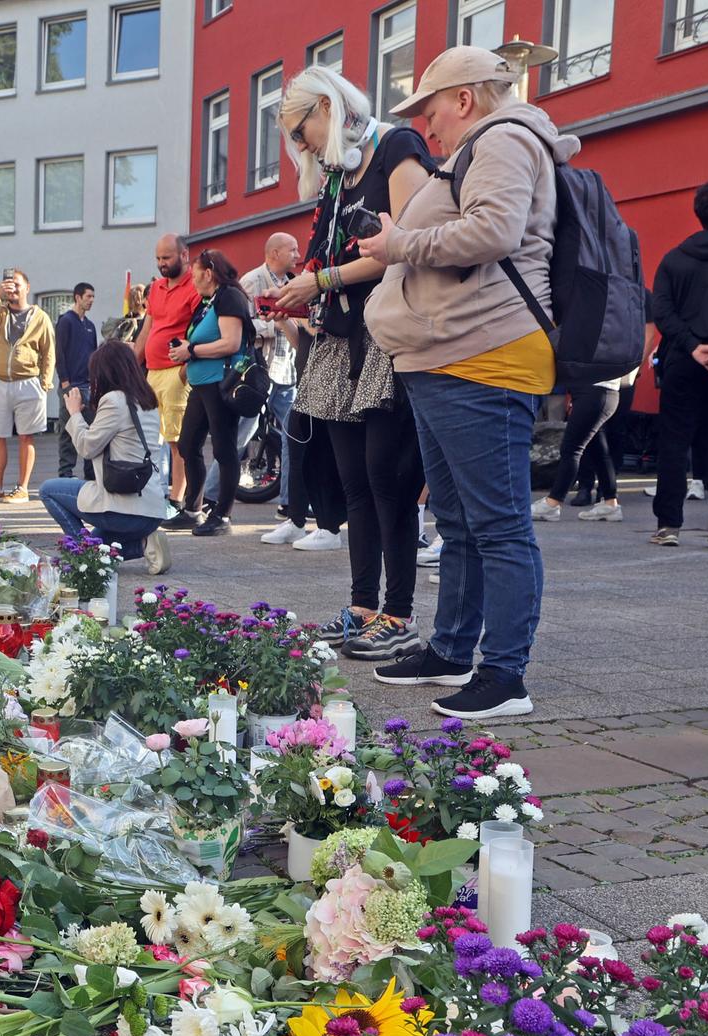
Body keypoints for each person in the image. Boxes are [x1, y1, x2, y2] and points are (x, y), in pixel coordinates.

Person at [357, 46, 578, 720]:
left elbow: (493, 231)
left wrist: (398, 246)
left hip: (481, 355)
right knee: (458, 521)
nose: (426, 128)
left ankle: (505, 675)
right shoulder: (486, 143)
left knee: (498, 525)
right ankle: (454, 648)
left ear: (465, 98)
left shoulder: (505, 139)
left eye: (430, 111)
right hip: (449, 355)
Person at [276, 65, 432, 658]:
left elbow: (411, 243)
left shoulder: (397, 147)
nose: (301, 145)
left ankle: (399, 613)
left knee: (388, 481)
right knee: (354, 485)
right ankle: (365, 605)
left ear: (325, 106)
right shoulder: (339, 174)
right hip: (341, 341)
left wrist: (321, 279)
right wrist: (311, 289)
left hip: (386, 340)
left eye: (300, 130)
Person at [649, 180, 708, 545]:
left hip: (682, 361)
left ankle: (668, 525)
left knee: (674, 441)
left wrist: (692, 346)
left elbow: (662, 311)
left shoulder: (674, 258)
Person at [40, 341, 173, 575]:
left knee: (48, 490)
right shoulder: (147, 399)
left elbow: (86, 447)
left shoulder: (113, 400)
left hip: (122, 508)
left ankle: (84, 557)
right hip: (151, 511)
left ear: (105, 371)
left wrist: (74, 413)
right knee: (100, 547)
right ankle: (144, 544)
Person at [167, 249, 254, 537]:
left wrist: (190, 350)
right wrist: (185, 349)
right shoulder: (209, 301)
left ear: (209, 273)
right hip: (202, 383)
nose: (192, 281)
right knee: (188, 444)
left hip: (221, 383)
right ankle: (193, 509)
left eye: (194, 276)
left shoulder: (229, 296)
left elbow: (231, 343)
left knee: (224, 448)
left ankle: (223, 515)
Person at [235, 233, 310, 543]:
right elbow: (241, 323)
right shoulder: (251, 281)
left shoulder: (294, 281)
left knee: (294, 437)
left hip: (287, 369)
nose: (298, 253)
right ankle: (213, 496)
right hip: (260, 372)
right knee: (241, 432)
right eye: (292, 249)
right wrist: (274, 319)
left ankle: (290, 504)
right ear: (275, 252)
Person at [0, 268, 56, 502]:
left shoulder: (40, 317)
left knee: (26, 437)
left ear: (27, 288)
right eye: (8, 284)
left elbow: (49, 351)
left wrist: (45, 383)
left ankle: (22, 488)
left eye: (17, 284)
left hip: (29, 382)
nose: (12, 288)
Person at [136, 235, 202, 508]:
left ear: (184, 255)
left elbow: (200, 329)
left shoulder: (194, 287)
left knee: (177, 441)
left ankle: (176, 500)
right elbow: (147, 329)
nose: (162, 264)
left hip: (176, 371)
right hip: (153, 371)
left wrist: (186, 370)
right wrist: (132, 364)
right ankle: (157, 493)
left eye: (167, 258)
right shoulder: (156, 287)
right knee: (151, 438)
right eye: (158, 259)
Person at [533, 368, 633, 523]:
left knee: (571, 449)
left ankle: (553, 503)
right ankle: (610, 503)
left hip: (595, 390)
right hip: (598, 390)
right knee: (598, 449)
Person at [56, 283, 100, 479]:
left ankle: (90, 475)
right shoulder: (66, 321)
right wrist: (65, 382)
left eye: (93, 297)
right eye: (88, 296)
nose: (91, 300)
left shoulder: (90, 326)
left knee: (91, 430)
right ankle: (66, 473)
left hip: (89, 385)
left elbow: (94, 355)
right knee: (69, 430)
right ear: (77, 297)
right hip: (71, 385)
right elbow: (59, 353)